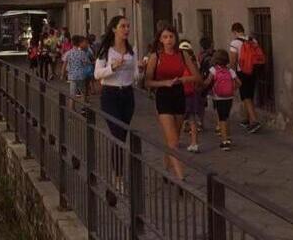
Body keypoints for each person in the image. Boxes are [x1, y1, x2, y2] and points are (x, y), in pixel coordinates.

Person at [95, 15, 145, 188]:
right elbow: (97, 74)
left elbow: (135, 76)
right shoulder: (106, 51)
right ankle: (118, 177)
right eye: (123, 26)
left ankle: (117, 172)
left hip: (127, 96)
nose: (127, 29)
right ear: (114, 29)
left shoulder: (132, 51)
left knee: (122, 137)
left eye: (128, 26)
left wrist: (140, 70)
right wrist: (112, 68)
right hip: (110, 95)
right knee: (117, 135)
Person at [145, 30, 200, 179]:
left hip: (179, 95)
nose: (168, 40)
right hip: (163, 96)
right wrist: (165, 83)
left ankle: (166, 169)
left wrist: (181, 80)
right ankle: (181, 178)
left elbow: (196, 76)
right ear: (160, 40)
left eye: (171, 37)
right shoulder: (155, 56)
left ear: (175, 38)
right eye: (165, 37)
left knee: (173, 138)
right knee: (174, 142)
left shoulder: (183, 55)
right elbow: (147, 81)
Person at [202, 49, 241, 151]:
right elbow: (239, 83)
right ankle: (228, 137)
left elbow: (207, 82)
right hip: (229, 97)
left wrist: (200, 85)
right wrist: (233, 89)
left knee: (221, 118)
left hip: (219, 97)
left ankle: (224, 141)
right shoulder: (230, 71)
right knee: (226, 116)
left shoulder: (213, 70)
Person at [229, 23, 262, 134]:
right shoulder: (253, 40)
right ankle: (247, 119)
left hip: (242, 71)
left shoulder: (234, 43)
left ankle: (254, 121)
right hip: (254, 70)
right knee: (249, 94)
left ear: (234, 31)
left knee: (246, 96)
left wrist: (232, 75)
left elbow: (233, 60)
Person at [62, 35, 91, 107]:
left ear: (72, 43)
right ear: (79, 43)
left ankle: (72, 110)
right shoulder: (82, 53)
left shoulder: (68, 53)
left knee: (72, 94)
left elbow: (64, 65)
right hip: (81, 76)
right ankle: (83, 108)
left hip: (72, 76)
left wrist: (62, 74)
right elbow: (87, 63)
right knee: (83, 93)